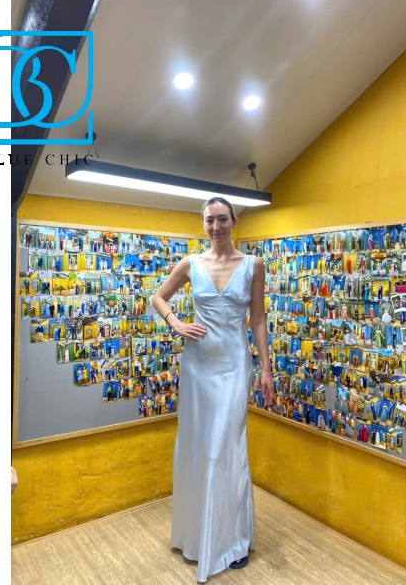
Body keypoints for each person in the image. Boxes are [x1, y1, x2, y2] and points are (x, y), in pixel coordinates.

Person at [152, 197, 274, 582]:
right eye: (210, 220)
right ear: (203, 224)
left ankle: (232, 540)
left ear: (234, 221)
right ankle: (197, 535)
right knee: (199, 446)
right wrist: (175, 323)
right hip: (198, 365)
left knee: (226, 448)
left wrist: (266, 367)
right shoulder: (190, 264)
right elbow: (158, 296)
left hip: (235, 364)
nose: (216, 226)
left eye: (222, 219)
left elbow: (258, 318)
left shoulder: (253, 265)